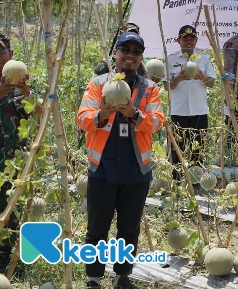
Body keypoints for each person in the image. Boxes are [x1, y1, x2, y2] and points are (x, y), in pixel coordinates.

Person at [77, 32, 164, 289]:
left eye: (136, 51)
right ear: (115, 53)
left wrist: (134, 113)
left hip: (136, 169)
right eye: (125, 49)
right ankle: (93, 278)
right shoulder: (98, 83)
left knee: (129, 229)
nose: (130, 55)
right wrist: (103, 112)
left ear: (141, 57)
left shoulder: (150, 88)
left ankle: (121, 276)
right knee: (97, 228)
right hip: (102, 167)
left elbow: (158, 121)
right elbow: (82, 118)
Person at [0, 33, 33, 275]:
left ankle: (8, 261)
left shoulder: (23, 82)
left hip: (14, 158)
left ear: (11, 55)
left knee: (11, 210)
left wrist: (27, 92)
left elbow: (39, 111)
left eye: (0, 52)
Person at [165, 25, 216, 177]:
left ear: (196, 41)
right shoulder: (171, 59)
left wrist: (203, 78)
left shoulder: (204, 58)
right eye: (185, 38)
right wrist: (179, 78)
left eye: (191, 38)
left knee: (197, 148)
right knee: (176, 148)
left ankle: (196, 180)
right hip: (177, 111)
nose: (188, 42)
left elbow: (212, 83)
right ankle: (177, 180)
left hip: (198, 110)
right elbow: (167, 86)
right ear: (178, 40)